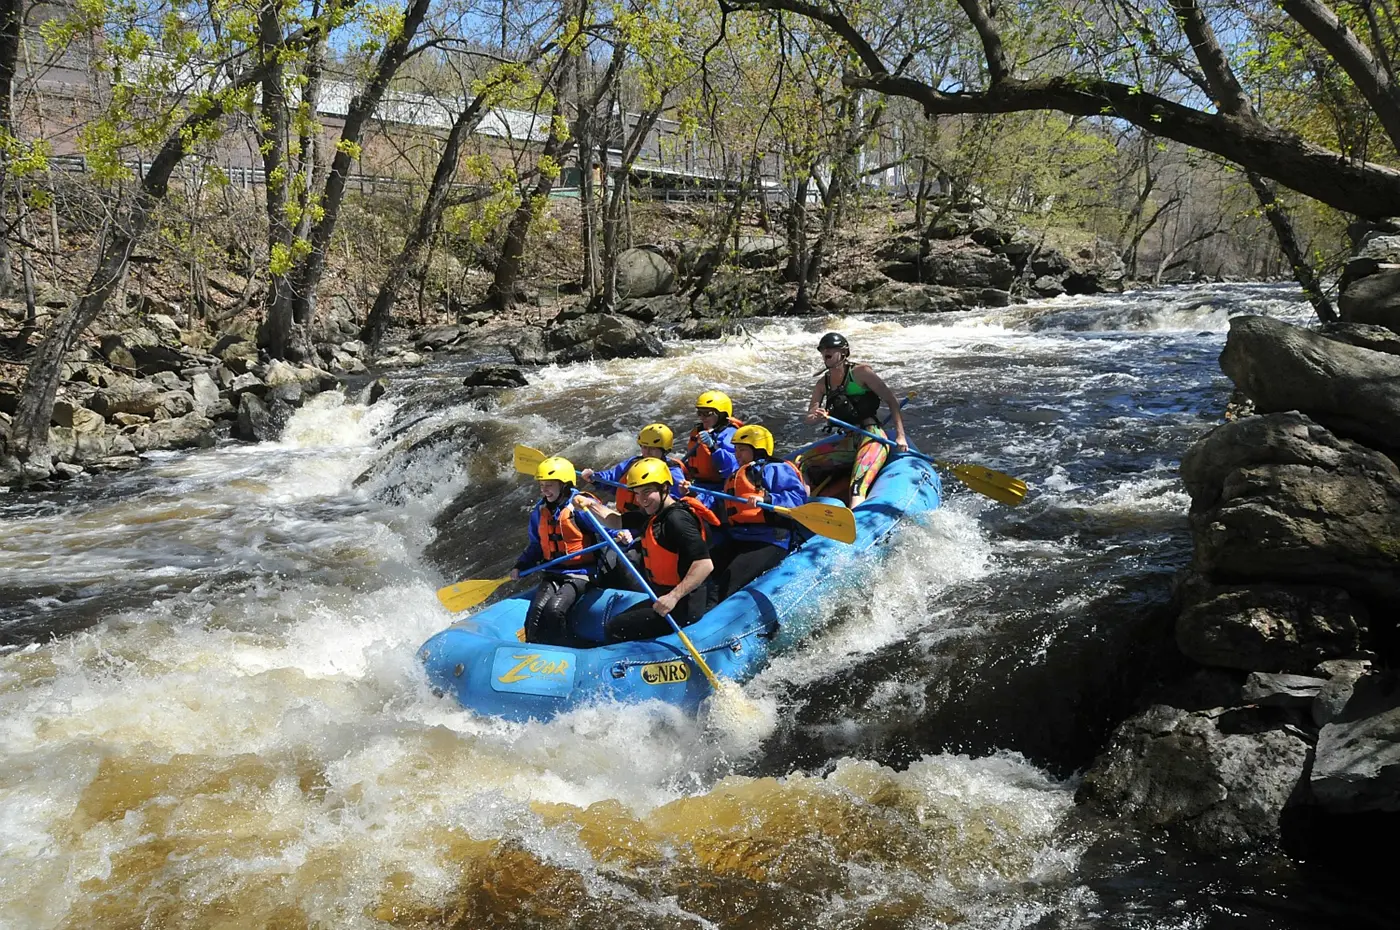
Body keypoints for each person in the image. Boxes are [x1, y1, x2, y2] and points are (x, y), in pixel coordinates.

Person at [578, 458, 719, 643]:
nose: (641, 500)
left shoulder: (677, 520)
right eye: (637, 493)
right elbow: (615, 521)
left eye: (647, 491)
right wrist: (590, 504)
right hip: (666, 595)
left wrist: (673, 597)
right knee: (618, 623)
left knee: (615, 628)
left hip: (686, 602)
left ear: (664, 488)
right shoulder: (652, 513)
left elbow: (704, 565)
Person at [509, 456, 613, 645]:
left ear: (564, 485)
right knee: (535, 613)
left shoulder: (579, 506)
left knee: (554, 610)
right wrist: (521, 565)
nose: (544, 490)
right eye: (542, 485)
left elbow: (606, 525)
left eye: (549, 485)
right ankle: (532, 651)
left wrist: (619, 534)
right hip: (554, 573)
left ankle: (567, 649)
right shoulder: (540, 511)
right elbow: (536, 545)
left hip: (582, 573)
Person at [703, 424, 809, 602]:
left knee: (728, 581)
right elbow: (722, 501)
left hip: (770, 538)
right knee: (708, 570)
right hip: (739, 536)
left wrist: (767, 499)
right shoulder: (737, 474)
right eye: (736, 450)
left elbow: (797, 498)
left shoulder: (775, 468)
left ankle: (715, 613)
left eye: (742, 450)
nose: (737, 455)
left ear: (758, 450)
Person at [801, 332, 909, 507]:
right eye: (823, 349)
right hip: (848, 439)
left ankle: (857, 515)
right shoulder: (822, 384)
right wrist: (816, 416)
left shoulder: (861, 373)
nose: (826, 352)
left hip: (871, 436)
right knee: (803, 462)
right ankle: (802, 504)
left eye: (831, 348)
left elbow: (891, 400)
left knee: (857, 486)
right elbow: (810, 418)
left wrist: (900, 436)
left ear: (844, 352)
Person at [580, 423, 686, 512]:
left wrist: (683, 491)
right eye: (644, 447)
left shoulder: (672, 471)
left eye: (653, 448)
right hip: (628, 517)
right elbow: (611, 477)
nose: (647, 452)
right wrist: (594, 477)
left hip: (654, 518)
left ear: (665, 450)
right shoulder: (633, 463)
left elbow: (680, 498)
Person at [683, 389, 742, 492]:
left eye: (707, 413)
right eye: (700, 413)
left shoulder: (730, 434)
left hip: (719, 488)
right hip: (697, 484)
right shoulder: (698, 431)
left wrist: (713, 447)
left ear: (722, 414)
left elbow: (732, 467)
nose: (702, 417)